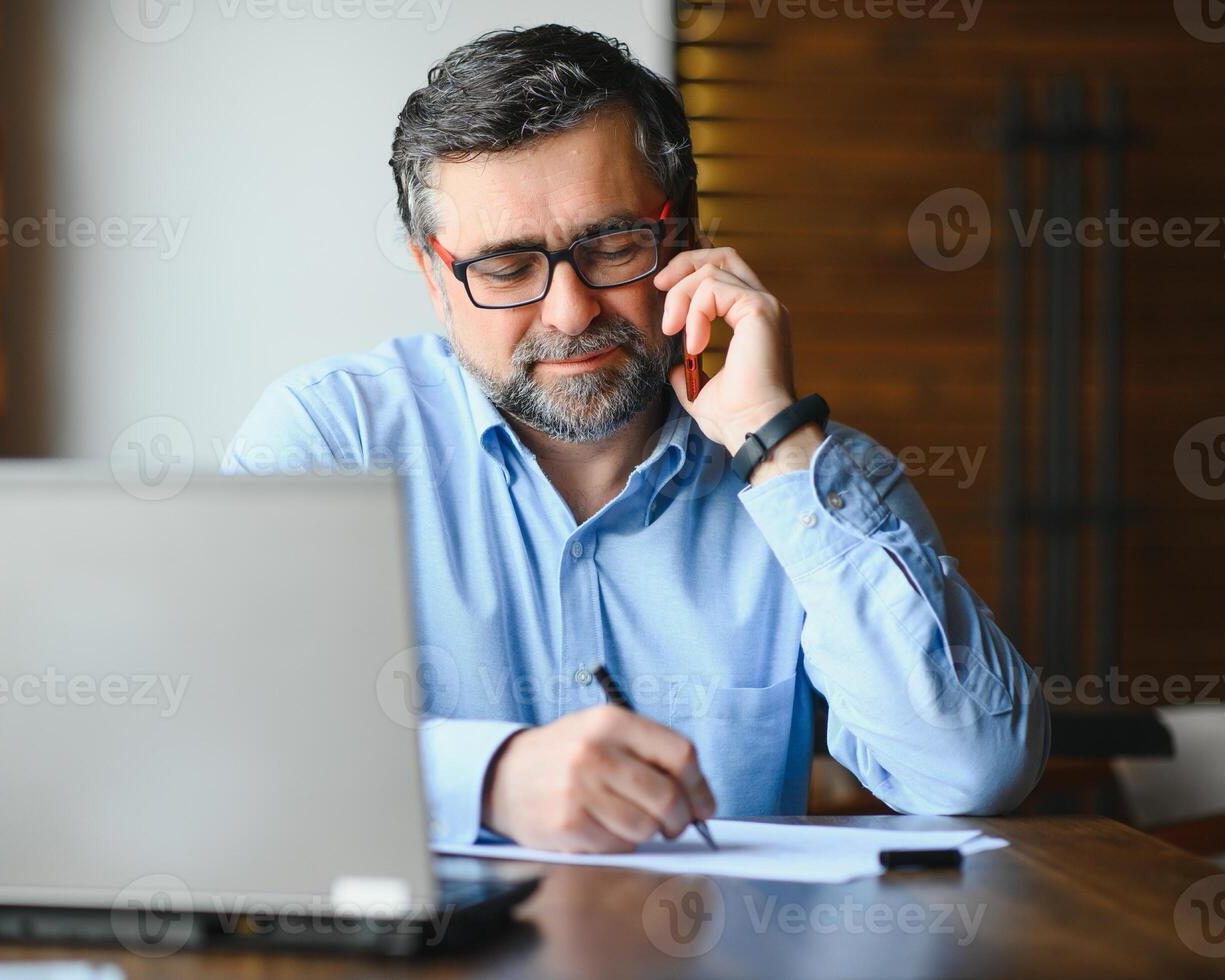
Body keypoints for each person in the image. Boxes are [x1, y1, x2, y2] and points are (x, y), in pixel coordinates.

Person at [223, 24, 1048, 853]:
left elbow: (973, 770)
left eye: (612, 245)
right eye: (507, 268)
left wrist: (778, 451)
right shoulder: (330, 441)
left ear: (684, 238)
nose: (569, 312)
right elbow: (226, 738)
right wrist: (493, 779)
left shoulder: (813, 478)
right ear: (436, 279)